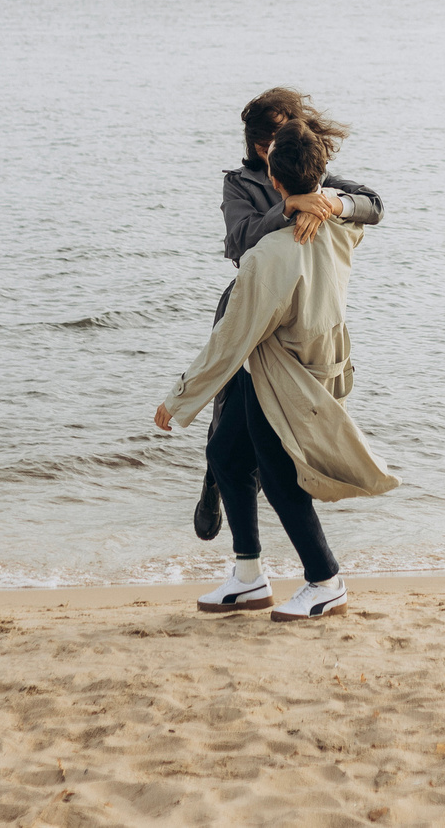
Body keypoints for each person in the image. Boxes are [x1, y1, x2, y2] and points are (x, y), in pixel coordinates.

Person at [155, 118, 397, 620]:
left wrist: (179, 401)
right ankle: (248, 577)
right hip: (291, 362)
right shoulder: (341, 228)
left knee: (278, 475)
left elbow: (230, 341)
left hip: (283, 373)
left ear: (273, 174)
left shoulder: (267, 257)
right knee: (224, 451)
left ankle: (325, 580)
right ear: (323, 172)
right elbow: (362, 209)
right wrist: (329, 204)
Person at [194, 88, 382, 541]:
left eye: (280, 133)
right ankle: (213, 482)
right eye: (265, 138)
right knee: (225, 410)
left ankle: (259, 501)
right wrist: (288, 207)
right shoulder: (240, 184)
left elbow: (374, 205)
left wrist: (333, 204)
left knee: (275, 418)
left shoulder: (317, 175)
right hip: (248, 304)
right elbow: (238, 242)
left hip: (299, 311)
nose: (271, 144)